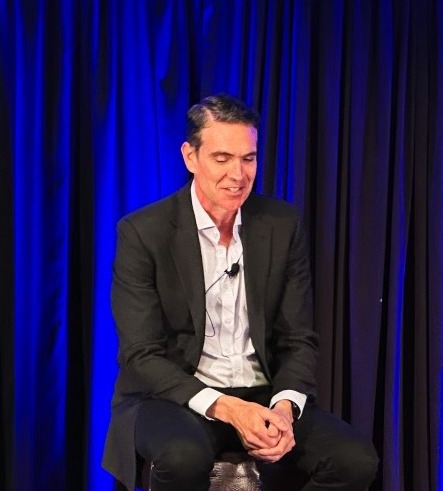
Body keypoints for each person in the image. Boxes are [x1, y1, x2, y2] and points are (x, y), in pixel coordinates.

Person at [102, 94, 378, 491]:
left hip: (263, 394)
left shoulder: (282, 225)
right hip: (174, 397)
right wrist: (231, 409)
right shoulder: (143, 232)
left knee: (354, 459)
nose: (238, 174)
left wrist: (283, 410)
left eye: (248, 158)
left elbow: (299, 338)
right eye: (222, 158)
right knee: (183, 458)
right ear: (190, 157)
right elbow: (140, 355)